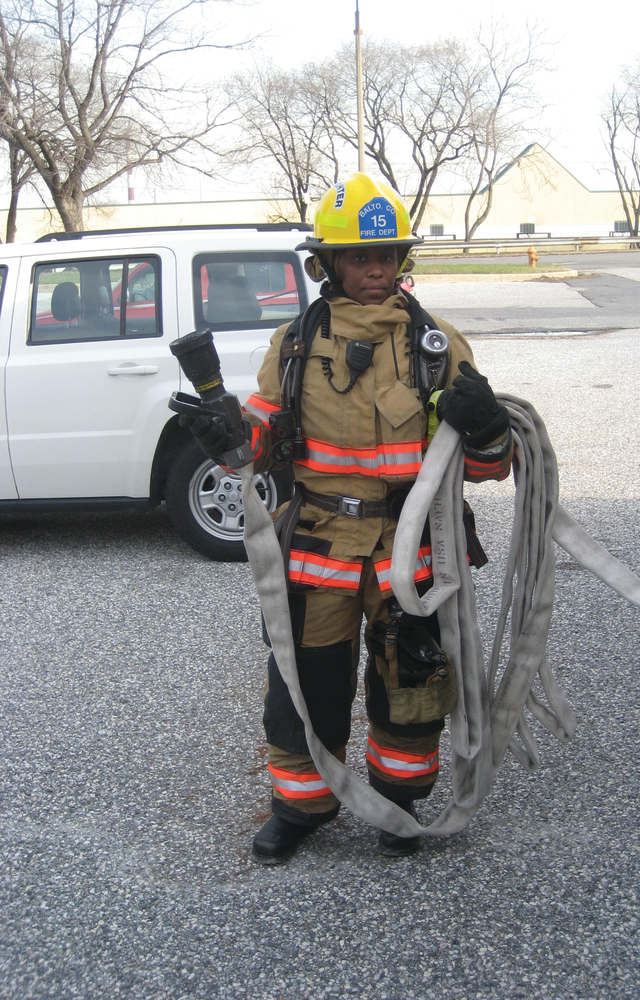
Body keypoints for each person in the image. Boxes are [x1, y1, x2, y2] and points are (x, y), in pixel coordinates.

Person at [188, 174, 514, 864]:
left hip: (411, 550)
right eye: (360, 257)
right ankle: (300, 807)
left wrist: (489, 431)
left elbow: (489, 468)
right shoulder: (295, 344)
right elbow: (260, 444)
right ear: (328, 265)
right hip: (318, 545)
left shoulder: (438, 345)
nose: (375, 270)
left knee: (411, 684)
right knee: (305, 687)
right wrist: (229, 438)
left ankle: (399, 803)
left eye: (386, 255)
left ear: (402, 260)